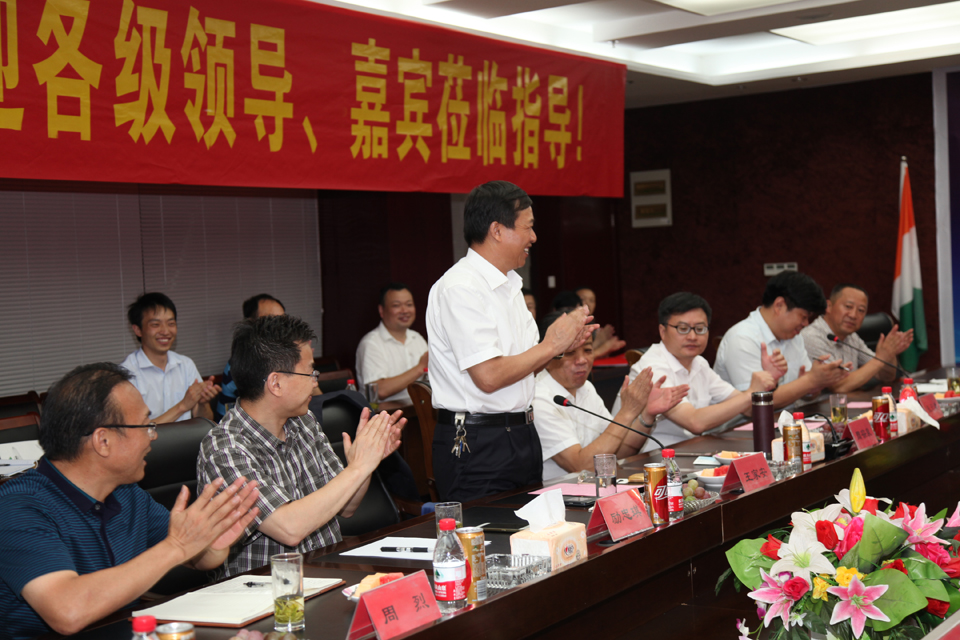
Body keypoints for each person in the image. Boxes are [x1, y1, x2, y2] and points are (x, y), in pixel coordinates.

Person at [0, 363, 259, 639]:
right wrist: (178, 546)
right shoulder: (17, 507)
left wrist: (213, 543)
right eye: (146, 425)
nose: (153, 436)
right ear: (103, 441)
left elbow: (193, 558)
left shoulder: (126, 494)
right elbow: (68, 611)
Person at [426, 180, 596, 503]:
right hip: (477, 442)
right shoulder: (460, 287)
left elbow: (524, 367)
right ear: (497, 230)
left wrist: (560, 347)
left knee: (534, 531)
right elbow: (489, 377)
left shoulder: (511, 287)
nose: (534, 237)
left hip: (522, 434)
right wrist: (551, 345)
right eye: (528, 227)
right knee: (490, 533)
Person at [197, 315, 404, 576]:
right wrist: (358, 468)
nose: (315, 382)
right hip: (267, 589)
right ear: (276, 383)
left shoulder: (303, 421)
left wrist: (366, 463)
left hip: (327, 573)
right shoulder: (225, 448)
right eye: (310, 373)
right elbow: (289, 528)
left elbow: (347, 506)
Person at [532, 311, 689, 480]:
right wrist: (627, 411)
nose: (582, 360)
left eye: (588, 350)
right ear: (547, 357)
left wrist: (647, 415)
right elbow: (580, 466)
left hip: (593, 487)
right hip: (558, 492)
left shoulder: (586, 388)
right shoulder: (538, 399)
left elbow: (618, 452)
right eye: (570, 353)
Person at [613, 292, 777, 449]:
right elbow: (695, 422)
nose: (692, 336)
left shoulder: (699, 363)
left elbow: (747, 408)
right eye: (682, 328)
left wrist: (768, 382)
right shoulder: (652, 368)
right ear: (663, 331)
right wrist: (751, 394)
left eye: (700, 328)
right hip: (649, 457)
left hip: (691, 450)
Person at [714, 271, 849, 407]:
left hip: (786, 417)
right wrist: (810, 381)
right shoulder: (742, 338)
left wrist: (815, 385)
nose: (806, 324)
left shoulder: (794, 336)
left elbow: (806, 393)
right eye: (803, 316)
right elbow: (754, 405)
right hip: (746, 420)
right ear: (779, 306)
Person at [120, 292, 220, 423]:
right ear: (138, 330)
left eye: (171, 323)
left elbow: (205, 422)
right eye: (155, 325)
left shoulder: (186, 365)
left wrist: (203, 403)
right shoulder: (126, 374)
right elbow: (137, 430)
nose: (165, 331)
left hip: (187, 437)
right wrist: (182, 406)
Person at [801, 283, 915, 392]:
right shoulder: (811, 336)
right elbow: (838, 386)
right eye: (848, 307)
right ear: (829, 306)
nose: (853, 315)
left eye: (861, 310)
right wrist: (880, 359)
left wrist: (889, 353)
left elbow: (886, 376)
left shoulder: (852, 337)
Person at [215, 294, 287, 421]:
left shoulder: (285, 356)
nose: (279, 327)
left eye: (283, 321)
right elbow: (273, 406)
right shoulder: (242, 363)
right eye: (271, 320)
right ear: (251, 324)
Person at [355, 283, 429, 403]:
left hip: (418, 408)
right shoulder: (371, 343)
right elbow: (379, 390)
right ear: (381, 310)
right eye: (396, 305)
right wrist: (420, 368)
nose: (405, 310)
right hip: (384, 412)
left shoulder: (417, 338)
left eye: (409, 304)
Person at [575, 285, 626, 359]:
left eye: (591, 300)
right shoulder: (568, 326)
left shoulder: (596, 329)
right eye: (582, 299)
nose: (587, 303)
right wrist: (605, 347)